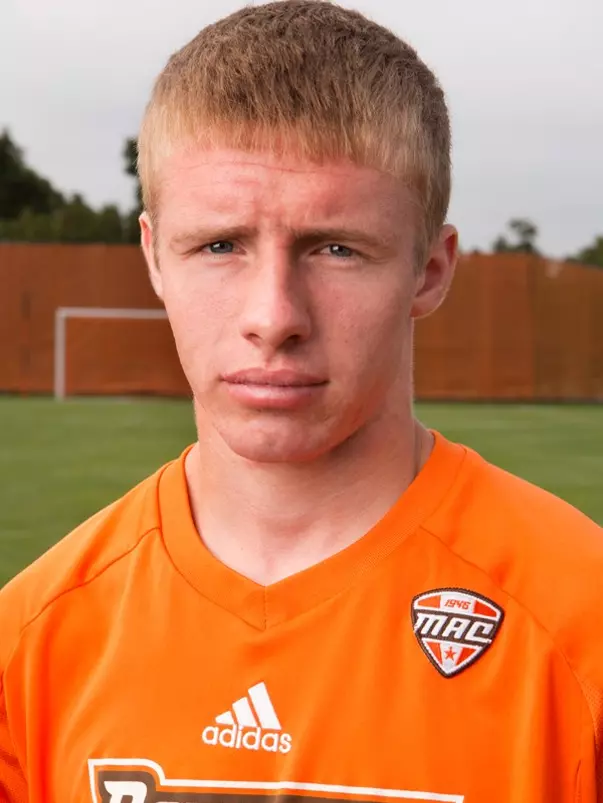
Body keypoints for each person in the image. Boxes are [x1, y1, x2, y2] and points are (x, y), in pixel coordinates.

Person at [1, 1, 602, 801]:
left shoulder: (580, 623)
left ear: (429, 268)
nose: (273, 317)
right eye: (219, 245)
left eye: (336, 248)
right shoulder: (32, 639)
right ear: (153, 255)